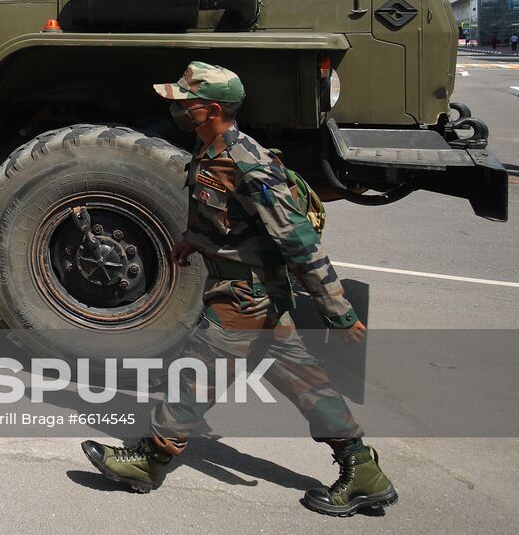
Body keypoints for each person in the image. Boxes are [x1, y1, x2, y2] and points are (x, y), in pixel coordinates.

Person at [82, 61, 397, 517]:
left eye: (184, 104)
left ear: (210, 109)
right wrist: (195, 240)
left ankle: (150, 460)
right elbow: (227, 219)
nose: (176, 110)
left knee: (192, 374)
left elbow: (299, 241)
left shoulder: (247, 161)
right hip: (254, 295)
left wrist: (337, 310)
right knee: (306, 382)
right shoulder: (212, 150)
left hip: (244, 298)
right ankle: (363, 470)